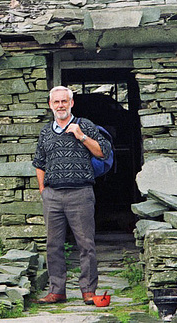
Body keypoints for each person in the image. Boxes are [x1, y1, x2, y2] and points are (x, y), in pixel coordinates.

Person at [32, 86, 112, 305]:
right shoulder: (46, 131)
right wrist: (43, 190)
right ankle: (57, 291)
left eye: (64, 101)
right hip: (53, 195)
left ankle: (88, 291)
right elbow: (39, 162)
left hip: (81, 193)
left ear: (71, 103)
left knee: (86, 244)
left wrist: (82, 136)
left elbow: (103, 152)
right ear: (50, 105)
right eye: (56, 102)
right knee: (53, 245)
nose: (60, 105)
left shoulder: (84, 125)